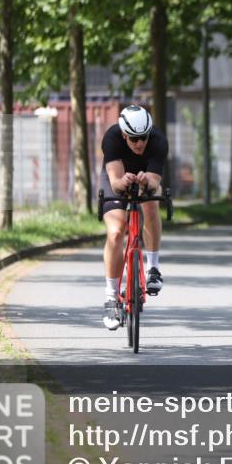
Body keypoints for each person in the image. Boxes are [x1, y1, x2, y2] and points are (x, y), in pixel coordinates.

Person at [99, 104, 168, 330]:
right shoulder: (112, 138)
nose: (139, 143)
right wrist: (124, 182)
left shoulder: (158, 141)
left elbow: (155, 182)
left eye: (144, 137)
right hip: (118, 176)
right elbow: (116, 182)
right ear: (124, 134)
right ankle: (111, 297)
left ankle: (153, 268)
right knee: (117, 230)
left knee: (150, 205)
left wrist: (146, 181)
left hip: (146, 175)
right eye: (134, 139)